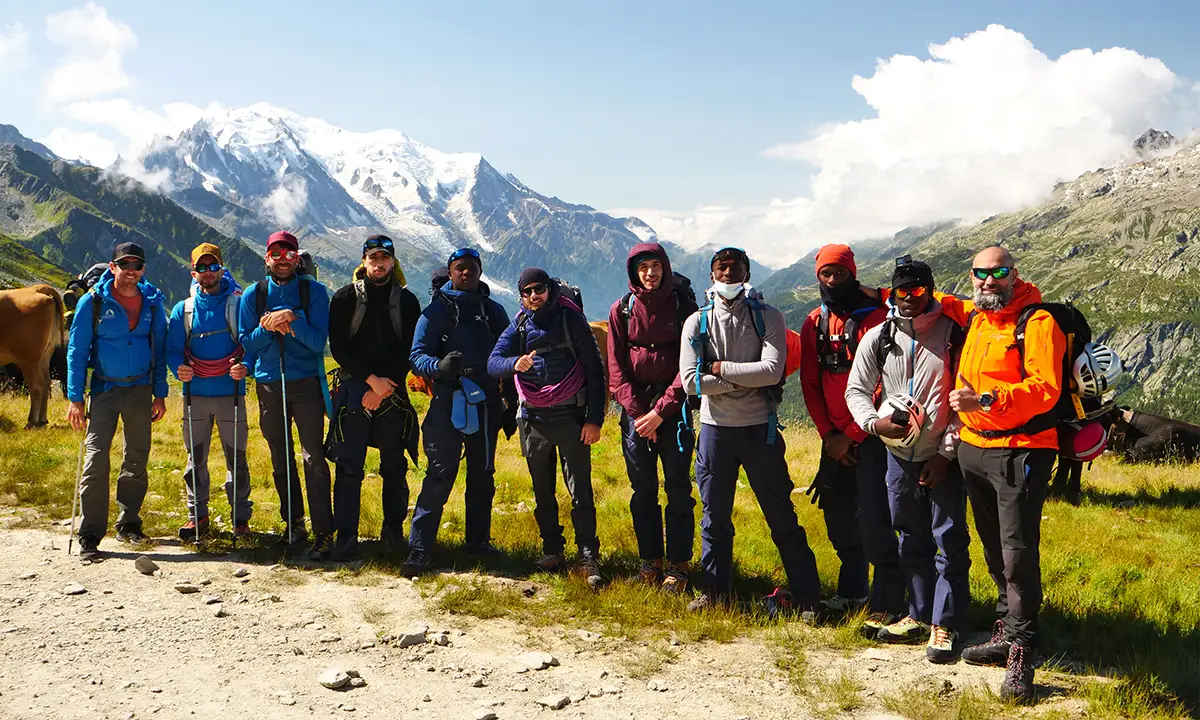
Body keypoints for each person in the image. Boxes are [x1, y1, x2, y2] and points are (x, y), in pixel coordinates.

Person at [945, 246, 1065, 703]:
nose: (988, 280)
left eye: (998, 273)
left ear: (1014, 274)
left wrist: (986, 402)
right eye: (980, 273)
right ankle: (1006, 628)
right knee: (994, 546)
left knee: (1017, 554)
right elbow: (943, 299)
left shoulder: (1036, 323)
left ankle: (1022, 652)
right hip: (975, 449)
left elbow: (1045, 389)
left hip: (1021, 451)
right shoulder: (979, 315)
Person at [679, 247, 821, 613]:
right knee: (714, 518)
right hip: (715, 432)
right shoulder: (697, 322)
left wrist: (720, 368)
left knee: (781, 515)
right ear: (712, 275)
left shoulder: (767, 316)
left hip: (760, 431)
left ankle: (807, 596)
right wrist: (744, 380)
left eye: (736, 268)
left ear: (746, 274)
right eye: (721, 268)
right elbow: (690, 382)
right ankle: (715, 595)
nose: (728, 274)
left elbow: (772, 371)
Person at [844, 258, 970, 664]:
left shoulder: (955, 336)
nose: (911, 299)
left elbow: (965, 403)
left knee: (948, 538)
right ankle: (918, 613)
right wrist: (875, 425)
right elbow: (856, 391)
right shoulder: (878, 337)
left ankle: (946, 622)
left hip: (940, 456)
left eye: (919, 291)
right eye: (903, 292)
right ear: (893, 293)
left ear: (931, 290)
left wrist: (947, 455)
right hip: (897, 455)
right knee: (909, 533)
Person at [798, 244, 904, 633]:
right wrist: (829, 435)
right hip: (834, 439)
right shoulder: (814, 322)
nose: (831, 281)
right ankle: (853, 591)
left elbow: (883, 382)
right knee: (838, 517)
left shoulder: (880, 317)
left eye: (839, 274)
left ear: (852, 274)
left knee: (877, 520)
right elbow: (809, 381)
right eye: (825, 274)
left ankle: (888, 601)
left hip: (873, 436)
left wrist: (855, 434)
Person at [488, 268, 607, 587]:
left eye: (538, 289)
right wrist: (514, 364)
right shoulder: (521, 323)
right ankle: (552, 550)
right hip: (534, 418)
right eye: (526, 292)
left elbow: (595, 371)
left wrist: (594, 419)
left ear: (550, 289)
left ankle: (587, 555)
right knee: (543, 491)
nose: (532, 296)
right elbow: (493, 362)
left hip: (571, 417)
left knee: (580, 490)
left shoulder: (571, 319)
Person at [404, 248, 510, 574]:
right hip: (447, 401)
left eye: (472, 268)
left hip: (487, 404)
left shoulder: (493, 311)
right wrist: (439, 366)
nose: (466, 273)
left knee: (482, 476)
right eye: (460, 268)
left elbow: (510, 355)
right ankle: (419, 550)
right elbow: (416, 356)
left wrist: (512, 402)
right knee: (439, 475)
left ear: (479, 272)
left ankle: (477, 543)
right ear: (450, 273)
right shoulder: (434, 313)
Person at [65, 242, 168, 561]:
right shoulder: (92, 302)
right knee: (96, 460)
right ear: (113, 268)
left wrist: (160, 393)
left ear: (143, 270)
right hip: (104, 390)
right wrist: (75, 398)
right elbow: (77, 351)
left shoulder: (152, 303)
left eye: (137, 266)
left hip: (140, 388)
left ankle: (129, 525)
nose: (130, 271)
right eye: (124, 265)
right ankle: (90, 534)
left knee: (136, 458)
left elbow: (160, 349)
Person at [606, 243, 698, 592]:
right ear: (634, 272)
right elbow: (616, 368)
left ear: (666, 268)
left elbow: (691, 364)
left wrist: (662, 411)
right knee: (642, 489)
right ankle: (650, 561)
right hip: (636, 412)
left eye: (656, 266)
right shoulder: (622, 310)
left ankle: (678, 564)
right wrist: (640, 413)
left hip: (672, 412)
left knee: (677, 488)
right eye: (643, 267)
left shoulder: (684, 308)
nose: (650, 273)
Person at [239, 230, 333, 560]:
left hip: (306, 383)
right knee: (280, 458)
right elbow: (247, 343)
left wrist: (291, 320)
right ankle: (294, 523)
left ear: (297, 257)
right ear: (267, 258)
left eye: (288, 253)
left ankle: (323, 531)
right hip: (268, 384)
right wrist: (267, 327)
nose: (282, 260)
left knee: (313, 457)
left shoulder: (315, 292)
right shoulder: (254, 294)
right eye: (276, 254)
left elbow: (318, 341)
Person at [326, 235, 421, 559]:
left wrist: (383, 387)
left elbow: (411, 349)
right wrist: (371, 382)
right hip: (357, 387)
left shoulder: (407, 302)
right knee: (348, 466)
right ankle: (346, 536)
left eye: (385, 258)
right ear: (364, 261)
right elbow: (339, 347)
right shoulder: (343, 298)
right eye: (373, 258)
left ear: (393, 262)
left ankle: (392, 532)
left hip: (391, 390)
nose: (379, 264)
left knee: (394, 465)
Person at [166, 243, 253, 541]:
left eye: (212, 266)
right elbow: (172, 349)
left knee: (237, 458)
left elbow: (251, 344)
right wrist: (179, 367)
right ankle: (197, 517)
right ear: (194, 272)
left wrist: (247, 366)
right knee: (196, 459)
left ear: (222, 268)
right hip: (196, 394)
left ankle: (240, 518)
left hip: (232, 394)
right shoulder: (184, 310)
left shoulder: (238, 305)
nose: (208, 272)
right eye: (201, 268)